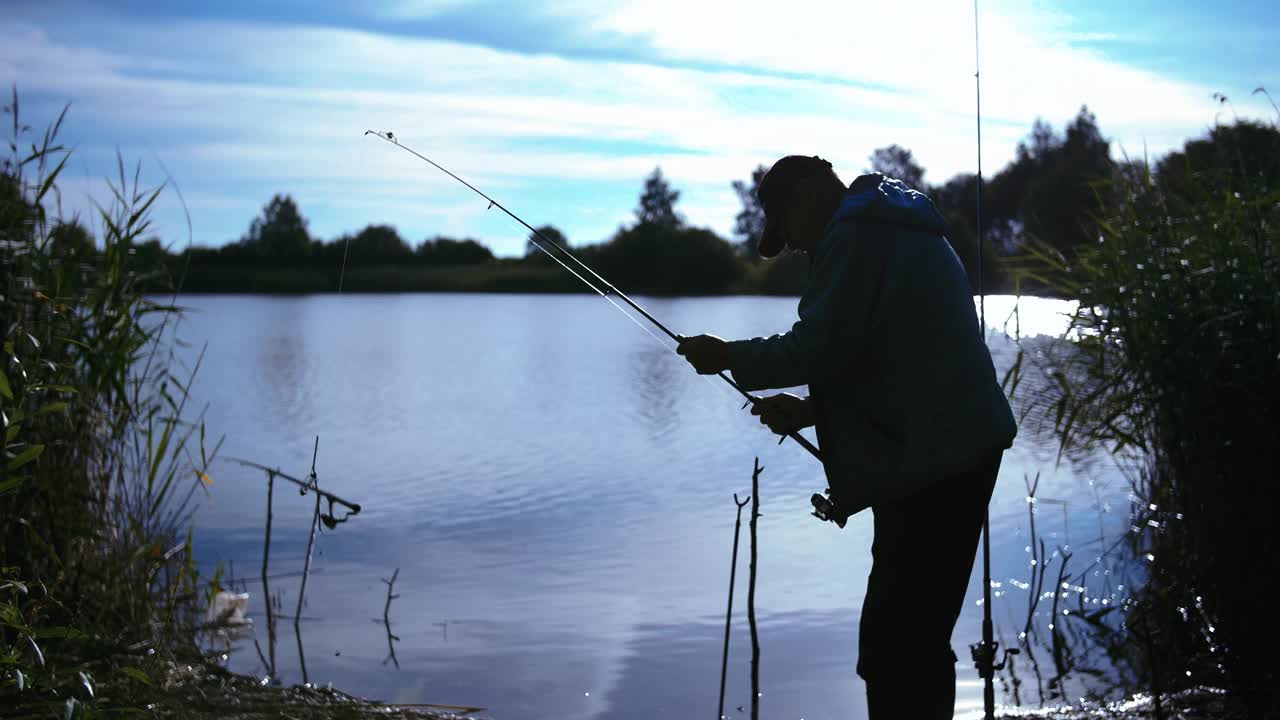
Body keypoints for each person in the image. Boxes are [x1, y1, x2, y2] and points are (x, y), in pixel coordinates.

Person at [676, 155, 1017, 719]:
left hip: (939, 463)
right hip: (948, 449)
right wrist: (813, 411)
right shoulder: (888, 226)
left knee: (895, 646)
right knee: (912, 635)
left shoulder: (857, 237)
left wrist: (730, 356)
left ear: (806, 199)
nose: (790, 247)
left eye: (785, 229)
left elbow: (818, 347)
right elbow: (891, 356)